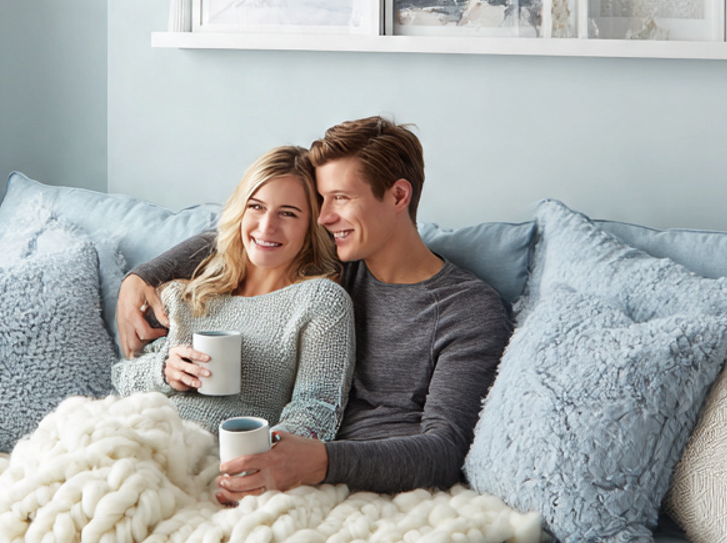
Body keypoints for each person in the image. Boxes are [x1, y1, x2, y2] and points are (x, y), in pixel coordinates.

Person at [118, 117, 511, 505]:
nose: (323, 218)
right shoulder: (339, 258)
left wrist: (321, 462)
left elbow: (444, 449)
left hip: (366, 484)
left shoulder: (468, 310)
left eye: (340, 198)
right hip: (285, 467)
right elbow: (245, 234)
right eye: (321, 201)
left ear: (397, 197)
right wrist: (140, 277)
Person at [111, 145, 355, 443]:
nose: (267, 227)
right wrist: (163, 371)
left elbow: (317, 410)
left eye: (288, 214)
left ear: (311, 225)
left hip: (212, 459)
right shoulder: (192, 293)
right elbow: (122, 378)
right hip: (137, 432)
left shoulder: (320, 301)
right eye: (256, 207)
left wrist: (253, 451)